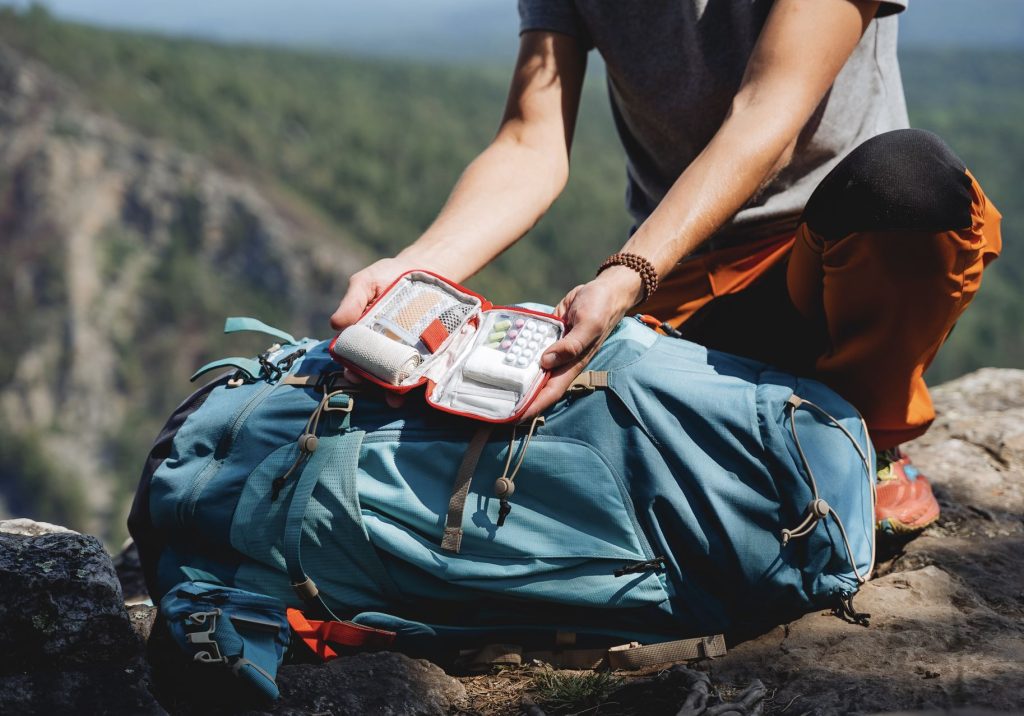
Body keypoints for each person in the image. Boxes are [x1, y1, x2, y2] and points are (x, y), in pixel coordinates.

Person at [331, 0, 1002, 535]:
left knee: (907, 187)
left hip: (828, 267)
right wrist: (415, 271)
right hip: (684, 285)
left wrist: (624, 273)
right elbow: (530, 142)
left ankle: (866, 434)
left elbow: (767, 110)